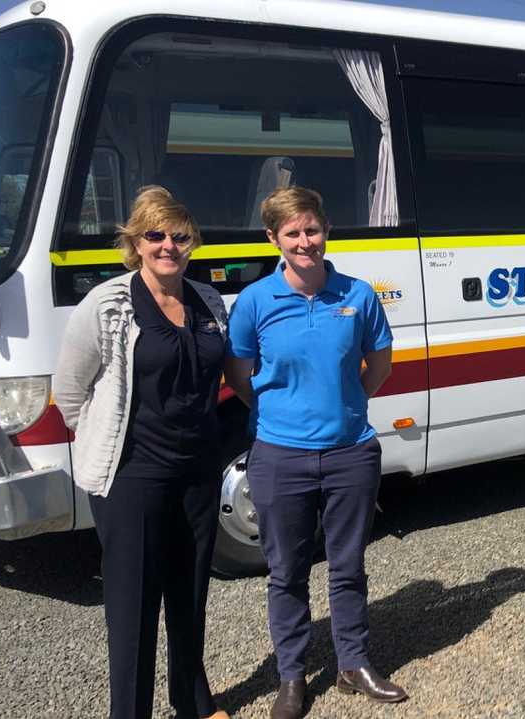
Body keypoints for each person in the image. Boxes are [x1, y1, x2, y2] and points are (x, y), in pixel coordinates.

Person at [224, 186, 402, 719]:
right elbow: (238, 376)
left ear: (326, 230)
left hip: (351, 453)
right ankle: (292, 677)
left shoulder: (359, 295)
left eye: (313, 229)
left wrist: (347, 404)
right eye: (293, 232)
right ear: (273, 238)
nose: (306, 242)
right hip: (279, 457)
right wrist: (283, 414)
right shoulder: (256, 301)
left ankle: (353, 664)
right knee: (287, 572)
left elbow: (380, 365)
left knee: (348, 565)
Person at [53, 186, 230, 719]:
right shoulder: (107, 302)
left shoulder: (208, 300)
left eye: (178, 236)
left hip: (197, 471)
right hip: (132, 478)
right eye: (155, 235)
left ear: (192, 242)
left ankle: (192, 702)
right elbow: (69, 391)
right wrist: (101, 440)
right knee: (133, 608)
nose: (167, 245)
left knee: (188, 594)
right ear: (136, 242)